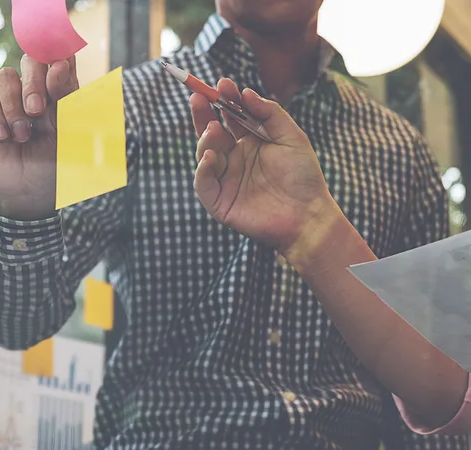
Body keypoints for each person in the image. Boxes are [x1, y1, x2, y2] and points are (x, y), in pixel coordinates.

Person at [0, 0, 470, 447]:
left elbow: (434, 391)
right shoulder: (121, 107)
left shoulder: (400, 150)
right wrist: (21, 209)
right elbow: (15, 322)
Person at [190, 84, 471, 437]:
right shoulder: (133, 105)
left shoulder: (399, 147)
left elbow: (451, 394)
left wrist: (314, 227)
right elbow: (453, 390)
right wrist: (313, 226)